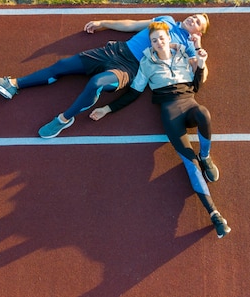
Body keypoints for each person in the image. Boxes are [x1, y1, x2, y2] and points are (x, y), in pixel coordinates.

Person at [89, 21, 231, 239]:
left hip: (189, 104)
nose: (158, 42)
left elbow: (197, 85)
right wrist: (107, 108)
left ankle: (206, 156)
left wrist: (200, 64)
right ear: (151, 43)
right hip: (170, 114)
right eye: (154, 40)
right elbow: (134, 93)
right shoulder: (146, 64)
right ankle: (215, 214)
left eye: (161, 38)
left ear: (168, 38)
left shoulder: (184, 54)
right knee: (188, 162)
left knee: (203, 113)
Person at [0, 14, 209, 138]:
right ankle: (12, 84)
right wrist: (104, 23)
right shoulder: (166, 20)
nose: (193, 19)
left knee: (97, 83)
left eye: (198, 22)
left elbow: (200, 74)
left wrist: (199, 53)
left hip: (130, 70)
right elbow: (133, 25)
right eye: (194, 16)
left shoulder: (187, 47)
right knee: (62, 65)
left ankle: (64, 119)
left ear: (198, 32)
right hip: (113, 51)